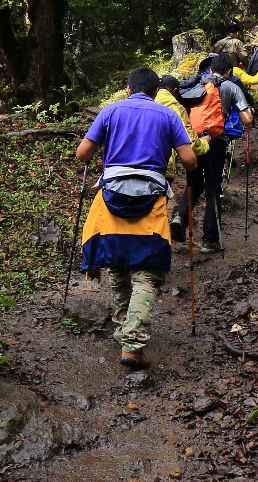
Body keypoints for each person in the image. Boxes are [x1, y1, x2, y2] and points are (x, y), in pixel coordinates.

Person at [75, 68, 196, 366]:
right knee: (147, 270)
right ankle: (132, 342)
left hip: (112, 196)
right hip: (151, 199)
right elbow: (189, 160)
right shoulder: (167, 116)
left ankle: (123, 330)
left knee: (118, 262)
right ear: (156, 93)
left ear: (128, 89)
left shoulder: (110, 111)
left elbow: (83, 154)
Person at [172, 53, 252, 248]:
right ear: (229, 71)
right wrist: (249, 111)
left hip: (193, 141)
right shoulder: (230, 86)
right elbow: (246, 120)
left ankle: (180, 218)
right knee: (213, 188)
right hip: (216, 141)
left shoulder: (196, 84)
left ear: (210, 69)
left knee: (194, 183)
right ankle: (210, 240)